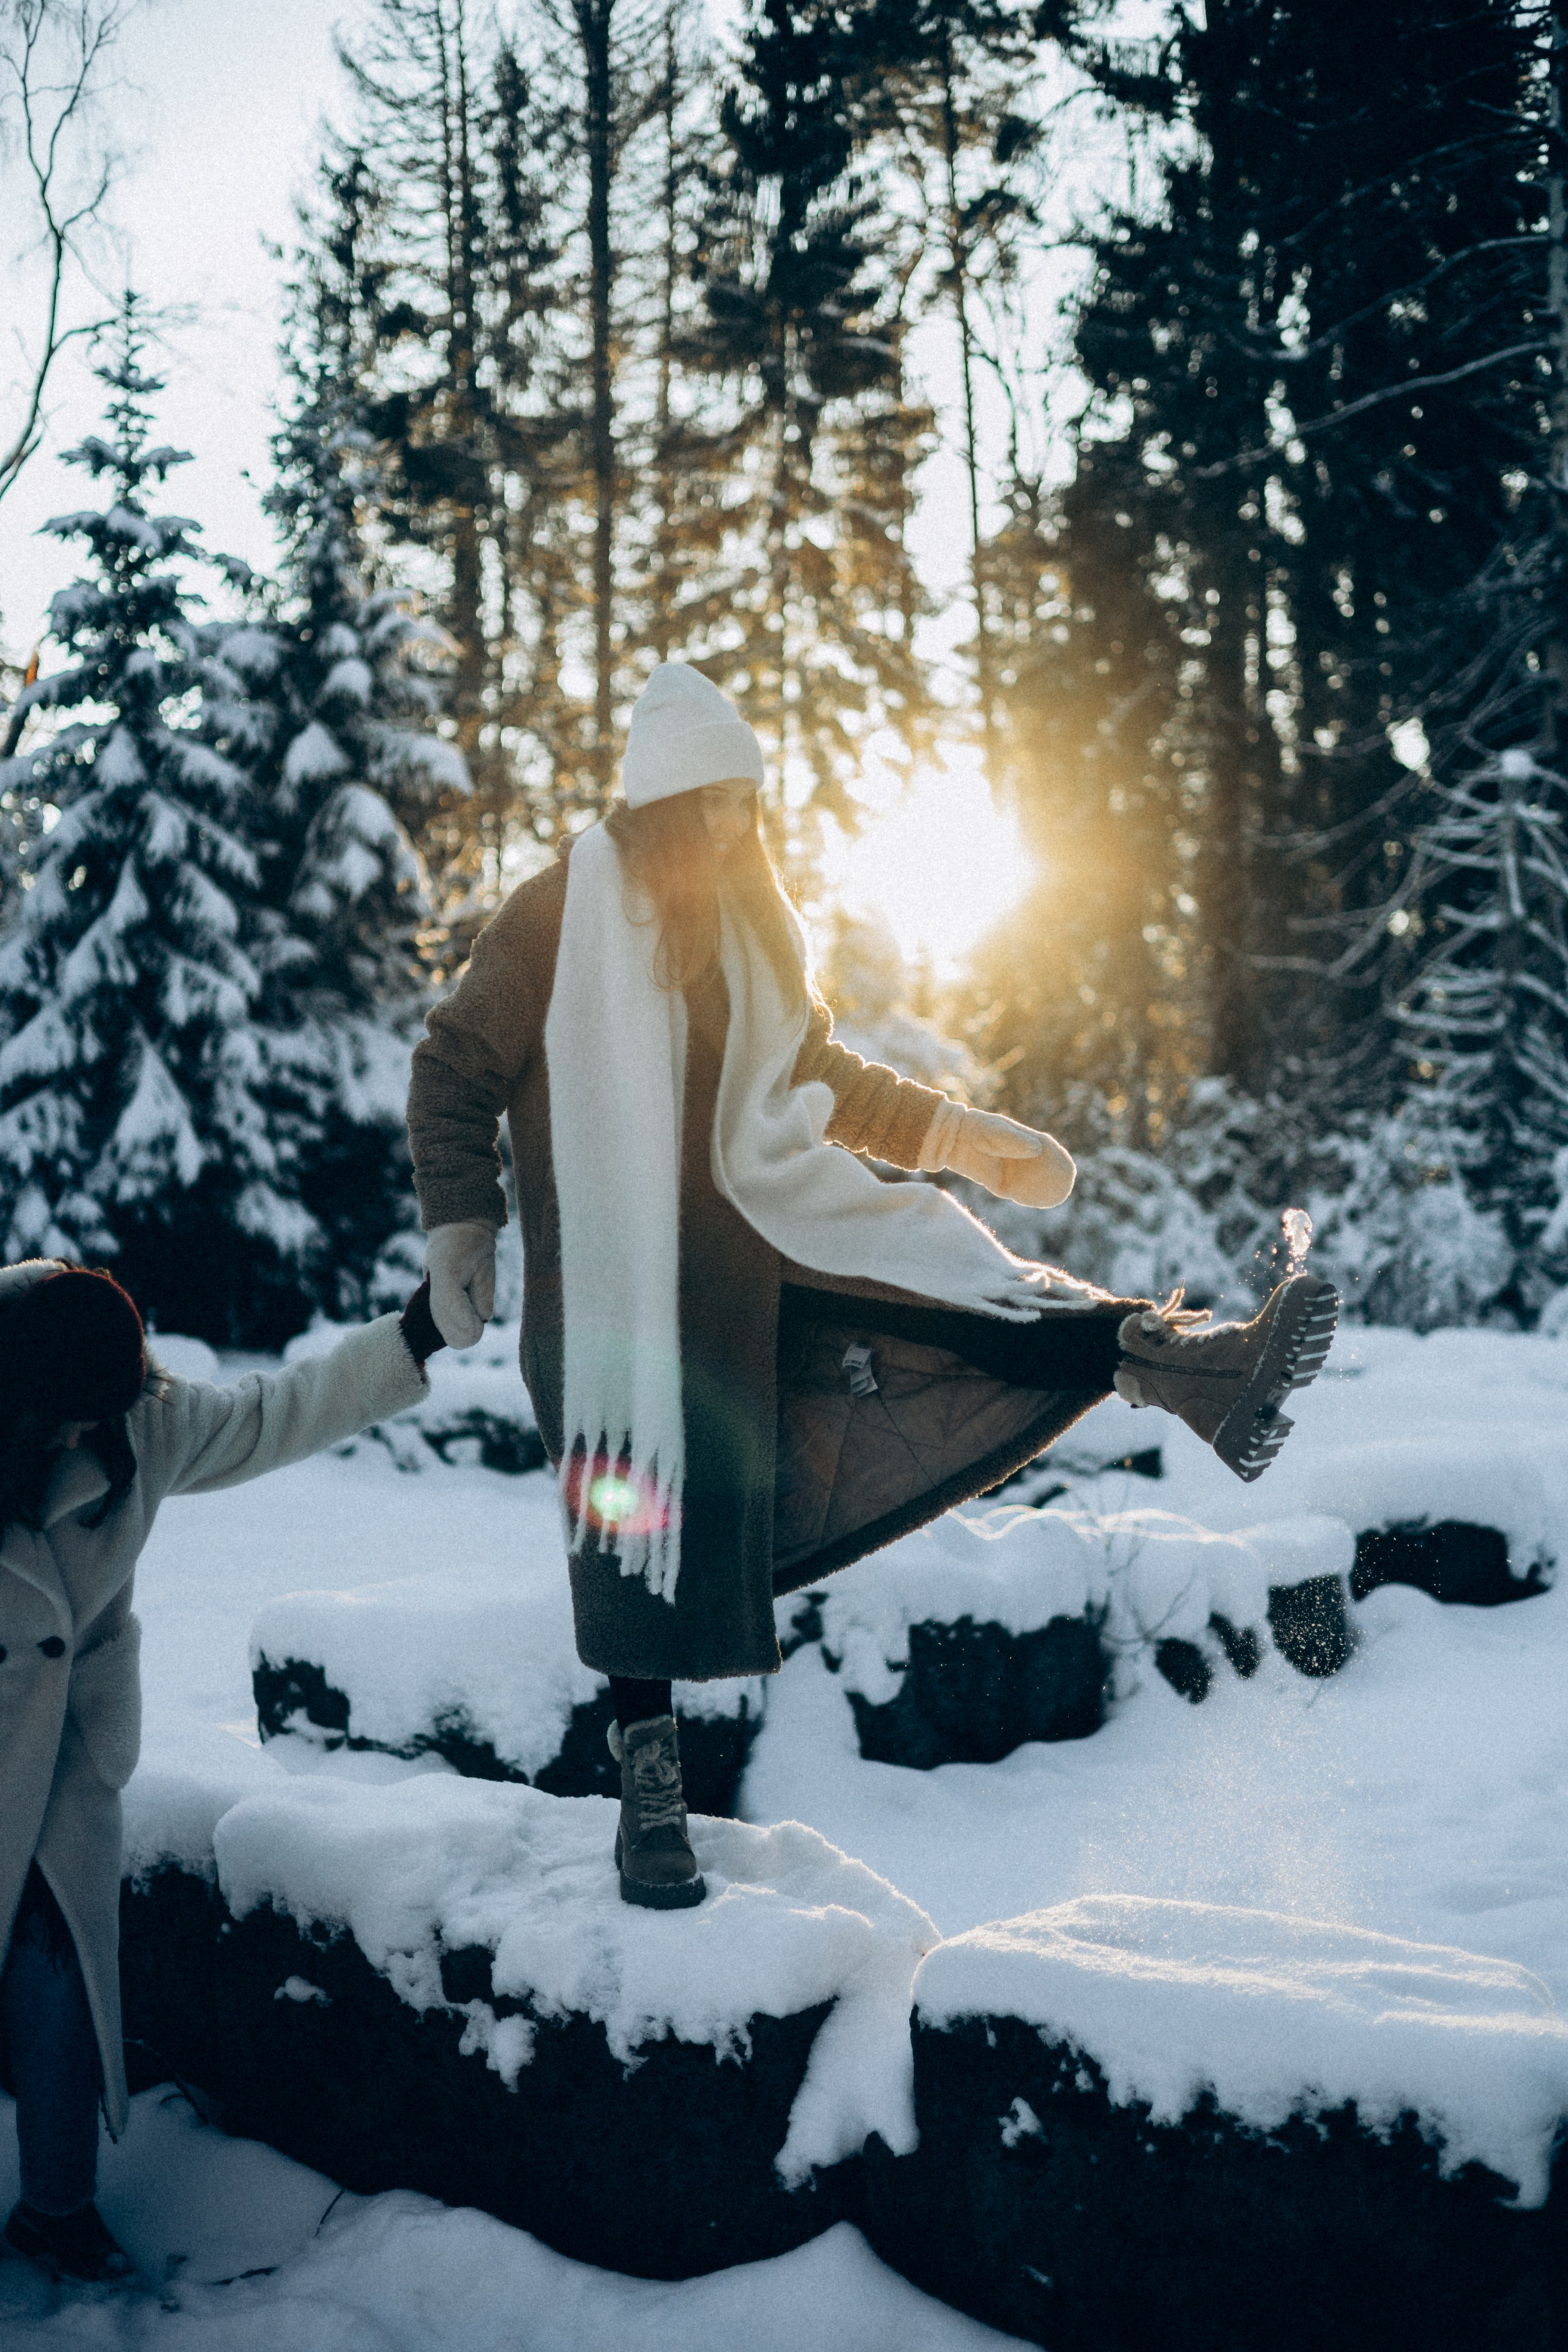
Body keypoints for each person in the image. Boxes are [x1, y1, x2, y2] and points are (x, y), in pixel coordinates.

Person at [407, 663, 1338, 1913]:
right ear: (658, 804)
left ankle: (1195, 1372)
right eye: (710, 804)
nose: (735, 827)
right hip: (621, 1300)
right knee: (633, 1539)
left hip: (765, 1239)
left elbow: (819, 1074)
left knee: (961, 1297)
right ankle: (652, 1805)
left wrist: (960, 1137)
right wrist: (461, 1218)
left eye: (747, 801)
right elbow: (454, 1064)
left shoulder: (752, 924)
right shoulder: (556, 913)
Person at [0, 1259, 446, 2286]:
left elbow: (271, 1414)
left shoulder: (137, 1422)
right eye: (58, 1424)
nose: (79, 1442)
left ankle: (55, 2212)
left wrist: (412, 1338)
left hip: (62, 1763)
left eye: (92, 1422)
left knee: (59, 1985)